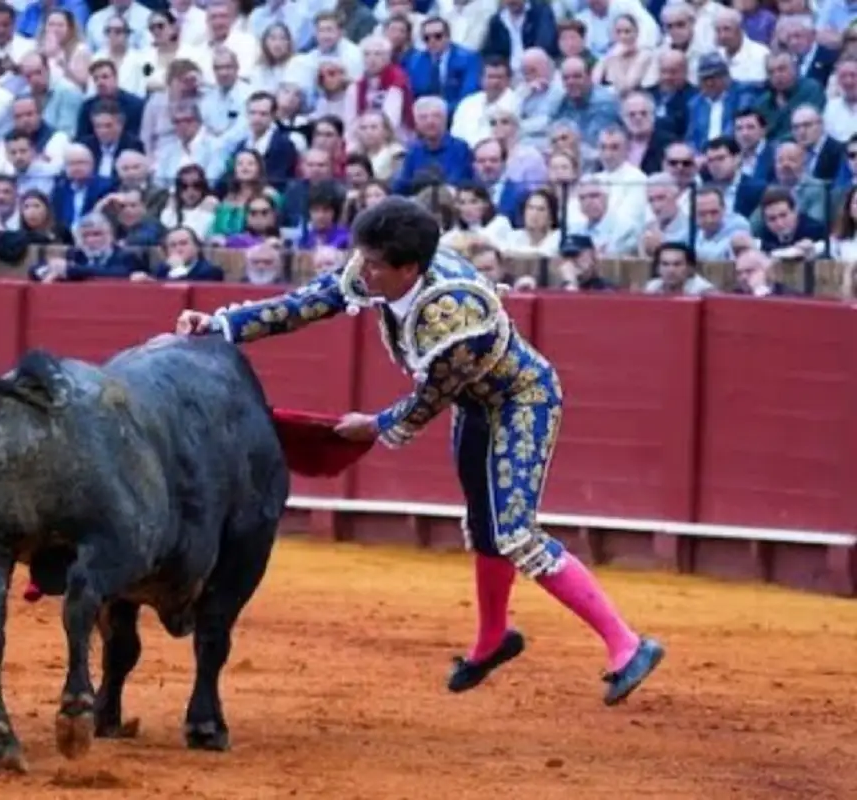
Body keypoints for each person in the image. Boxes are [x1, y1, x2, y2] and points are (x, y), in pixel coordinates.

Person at [174, 197, 664, 705]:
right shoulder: (384, 265)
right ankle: (493, 639)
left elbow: (431, 397)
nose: (361, 272)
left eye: (374, 266)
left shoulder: (456, 316)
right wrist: (223, 326)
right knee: (484, 527)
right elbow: (315, 299)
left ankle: (627, 645)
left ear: (408, 269)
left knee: (516, 533)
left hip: (522, 402)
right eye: (361, 259)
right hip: (476, 407)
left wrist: (375, 426)